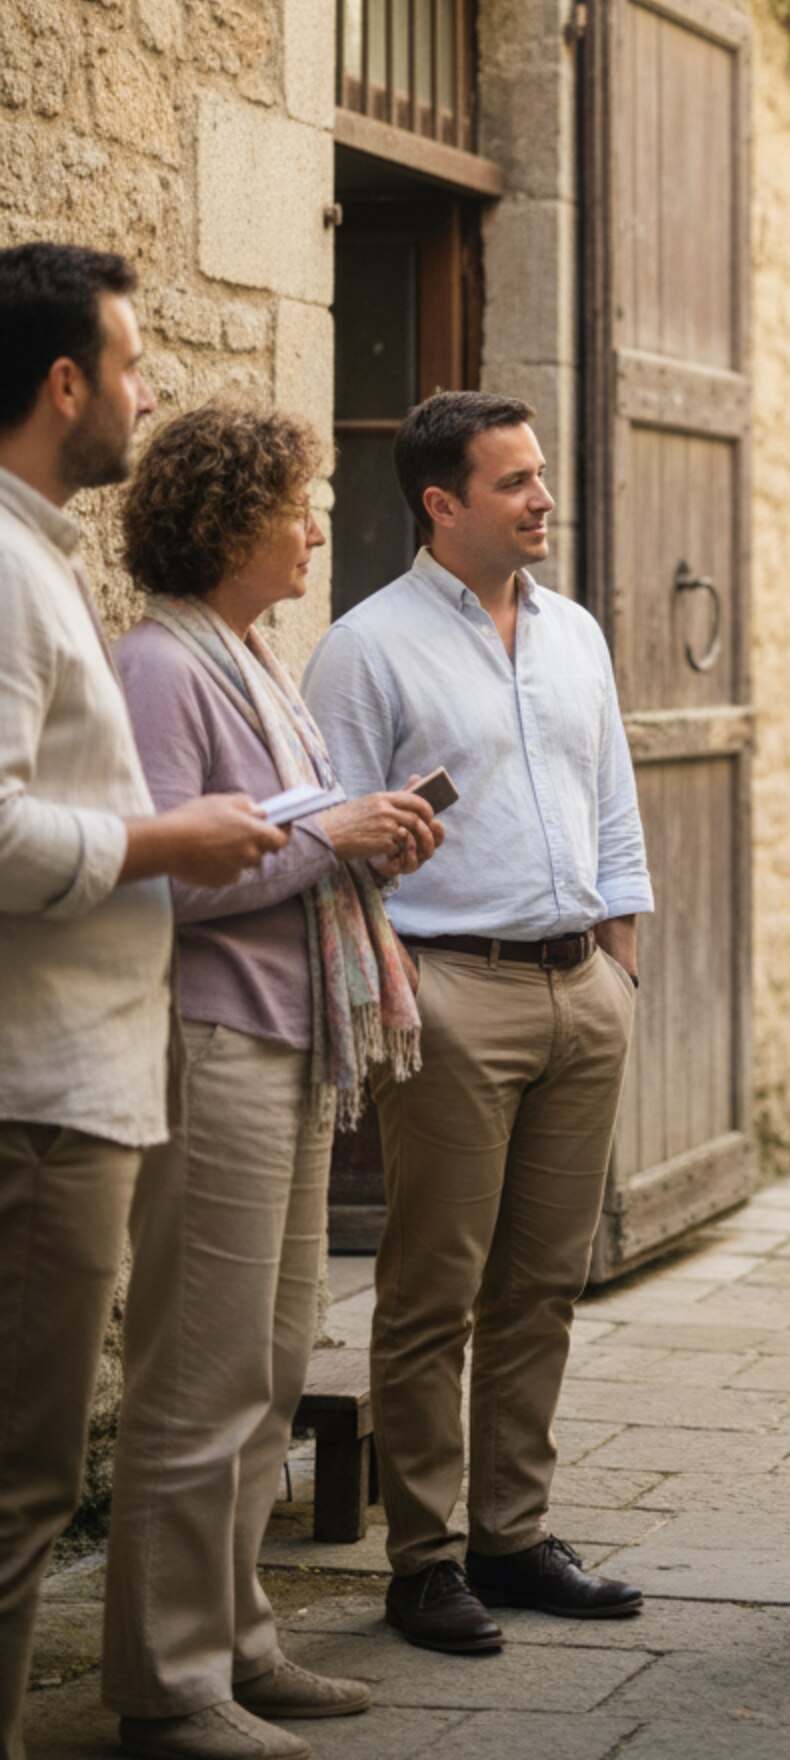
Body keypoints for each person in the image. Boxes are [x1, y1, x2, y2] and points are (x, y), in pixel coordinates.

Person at [103, 403, 444, 1760]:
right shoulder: (160, 669)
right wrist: (335, 840)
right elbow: (160, 881)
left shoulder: (247, 657)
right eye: (299, 503)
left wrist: (366, 840)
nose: (316, 527)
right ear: (231, 517)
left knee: (270, 1354)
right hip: (217, 1039)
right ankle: (166, 1686)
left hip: (288, 1039)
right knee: (199, 1370)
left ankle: (235, 1636)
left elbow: (279, 844)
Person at [302, 391, 654, 1655]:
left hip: (581, 990)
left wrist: (619, 966)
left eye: (542, 474)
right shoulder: (365, 646)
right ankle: (424, 1557)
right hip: (450, 989)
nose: (542, 498)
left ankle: (514, 1534)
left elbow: (612, 803)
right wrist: (405, 989)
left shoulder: (575, 632)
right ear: (442, 503)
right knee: (432, 1288)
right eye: (515, 482)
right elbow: (337, 843)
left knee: (544, 1285)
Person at [0, 244, 286, 1760]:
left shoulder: (36, 554)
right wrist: (168, 840)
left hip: (78, 1085)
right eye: (129, 364)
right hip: (43, 1093)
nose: (148, 389)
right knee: (26, 1485)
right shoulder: (9, 570)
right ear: (66, 385)